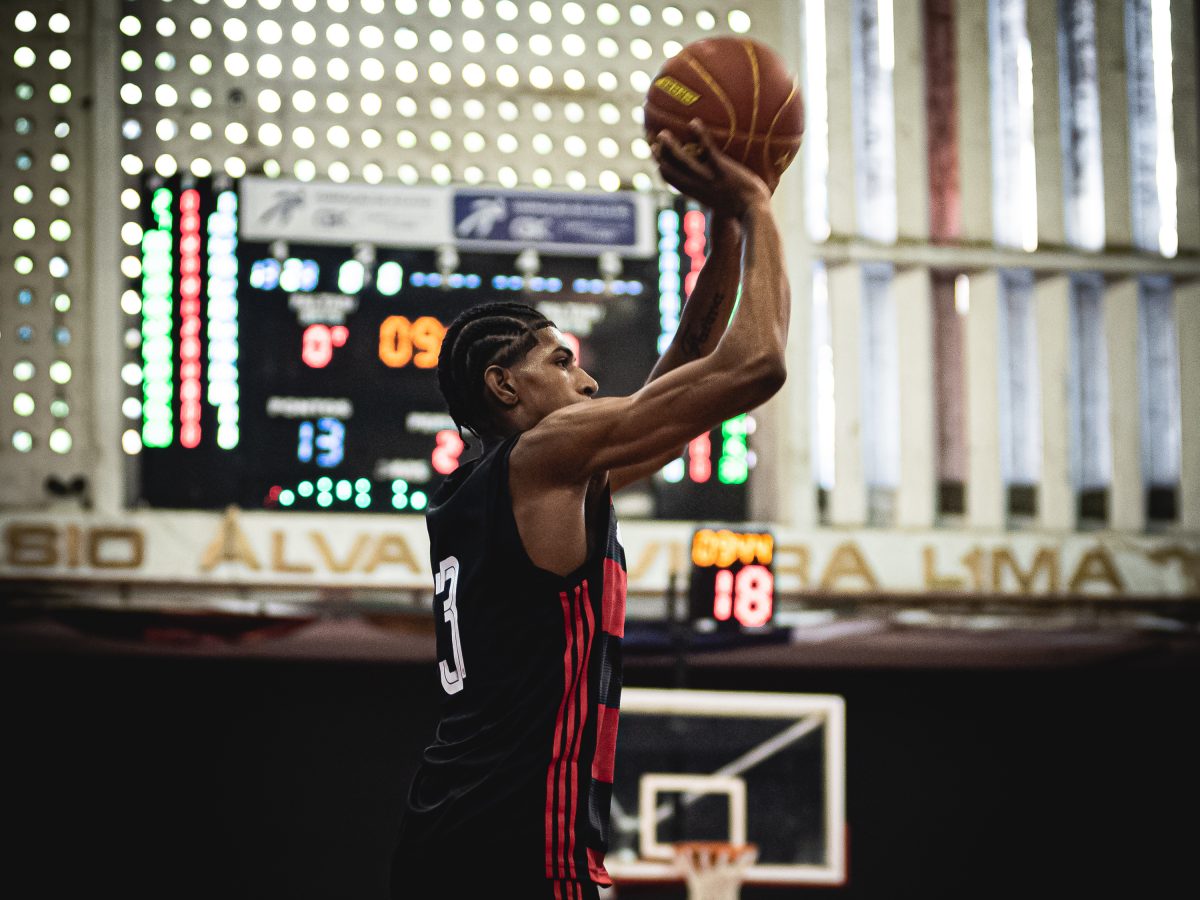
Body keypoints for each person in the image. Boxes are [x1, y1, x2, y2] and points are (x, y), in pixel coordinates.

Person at [390, 121, 793, 899]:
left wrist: (725, 235)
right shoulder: (544, 455)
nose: (589, 382)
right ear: (505, 387)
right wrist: (758, 205)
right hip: (517, 844)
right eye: (561, 361)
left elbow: (685, 371)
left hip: (453, 835)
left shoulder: (503, 487)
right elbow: (756, 364)